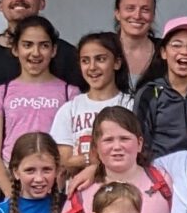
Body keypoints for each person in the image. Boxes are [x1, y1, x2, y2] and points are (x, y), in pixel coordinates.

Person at [0, 16, 80, 200]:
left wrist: (55, 189)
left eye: (43, 45)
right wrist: (12, 195)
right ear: (15, 49)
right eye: (27, 45)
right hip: (14, 186)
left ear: (54, 50)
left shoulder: (70, 94)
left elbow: (71, 148)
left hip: (54, 189)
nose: (35, 53)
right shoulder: (1, 93)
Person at [58, 105, 171, 213]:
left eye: (124, 138)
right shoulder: (82, 190)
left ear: (139, 143)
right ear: (96, 147)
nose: (117, 147)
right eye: (108, 140)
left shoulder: (164, 180)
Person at [131, 16, 187, 161]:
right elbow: (138, 142)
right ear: (163, 52)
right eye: (176, 45)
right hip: (159, 174)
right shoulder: (149, 93)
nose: (185, 51)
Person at [49, 32, 129, 179]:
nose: (92, 67)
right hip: (78, 194)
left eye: (100, 59)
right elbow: (63, 160)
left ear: (117, 62)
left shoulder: (130, 105)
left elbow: (133, 153)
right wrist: (92, 159)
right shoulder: (69, 109)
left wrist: (81, 161)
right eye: (85, 61)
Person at [111, 0, 162, 89]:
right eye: (130, 8)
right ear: (117, 13)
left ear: (153, 15)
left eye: (145, 9)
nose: (137, 15)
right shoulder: (103, 49)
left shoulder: (166, 52)